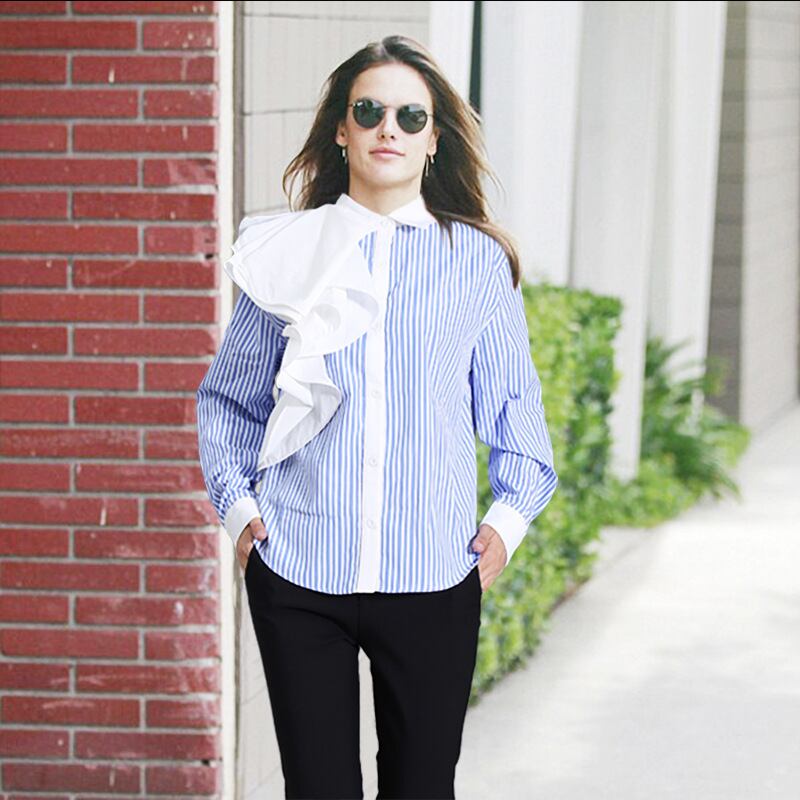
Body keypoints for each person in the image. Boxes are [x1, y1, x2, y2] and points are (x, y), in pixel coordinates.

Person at [197, 34, 558, 800]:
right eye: (369, 112)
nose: (387, 128)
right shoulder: (289, 252)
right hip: (298, 569)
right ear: (341, 128)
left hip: (433, 575)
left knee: (422, 788)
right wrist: (239, 510)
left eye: (409, 116)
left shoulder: (476, 263)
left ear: (434, 139)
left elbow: (516, 414)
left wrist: (507, 524)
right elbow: (228, 399)